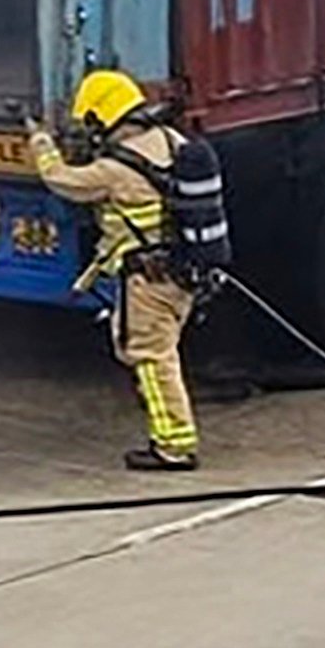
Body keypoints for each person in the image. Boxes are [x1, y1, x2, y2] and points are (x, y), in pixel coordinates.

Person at [28, 70, 200, 471]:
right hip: (180, 271)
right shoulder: (172, 142)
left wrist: (41, 141)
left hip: (148, 279)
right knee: (148, 350)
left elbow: (61, 180)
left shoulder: (115, 170)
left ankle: (173, 445)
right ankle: (166, 425)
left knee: (152, 357)